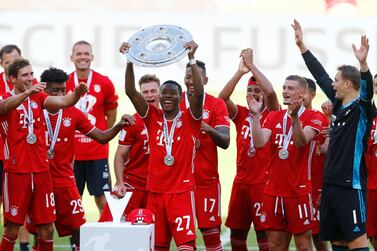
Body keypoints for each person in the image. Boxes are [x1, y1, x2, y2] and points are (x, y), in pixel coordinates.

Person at [28, 67, 131, 251]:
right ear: (44, 92)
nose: (60, 95)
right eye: (55, 91)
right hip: (40, 179)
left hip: (65, 181)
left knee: (78, 228)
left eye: (63, 90)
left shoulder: (74, 114)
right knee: (42, 231)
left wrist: (118, 126)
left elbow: (101, 137)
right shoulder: (33, 111)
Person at [293, 19, 374, 251]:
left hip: (351, 186)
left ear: (348, 84)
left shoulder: (362, 109)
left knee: (357, 241)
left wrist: (364, 65)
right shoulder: (339, 106)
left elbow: (366, 88)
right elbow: (319, 75)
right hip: (331, 185)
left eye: (337, 81)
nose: (333, 85)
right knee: (337, 240)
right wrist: (302, 47)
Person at [122, 40, 203, 251]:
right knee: (157, 246)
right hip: (155, 193)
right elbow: (131, 91)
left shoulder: (190, 119)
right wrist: (130, 60)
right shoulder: (152, 117)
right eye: (164, 93)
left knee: (186, 246)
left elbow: (199, 93)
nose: (166, 96)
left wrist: (191, 58)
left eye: (171, 93)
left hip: (181, 193)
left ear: (180, 97)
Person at [0, 58, 87, 251]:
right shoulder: (4, 97)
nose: (31, 78)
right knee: (13, 228)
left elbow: (63, 100)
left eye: (32, 74)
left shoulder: (39, 98)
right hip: (16, 171)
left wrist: (76, 95)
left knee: (47, 229)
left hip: (41, 172)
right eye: (25, 75)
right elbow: (3, 108)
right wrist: (28, 93)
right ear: (13, 78)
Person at [250, 74, 323, 251]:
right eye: (284, 88)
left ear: (302, 93)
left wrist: (295, 118)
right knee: (275, 245)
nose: (285, 91)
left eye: (290, 88)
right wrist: (256, 115)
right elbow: (259, 142)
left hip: (299, 192)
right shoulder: (274, 116)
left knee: (304, 245)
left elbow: (300, 142)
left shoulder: (315, 116)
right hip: (273, 191)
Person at [218, 48, 279, 251]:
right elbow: (221, 99)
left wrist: (252, 65)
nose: (252, 95)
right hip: (241, 182)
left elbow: (270, 92)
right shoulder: (242, 114)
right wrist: (240, 72)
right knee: (237, 235)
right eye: (249, 91)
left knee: (264, 235)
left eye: (256, 91)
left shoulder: (272, 114)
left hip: (263, 183)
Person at [180, 59, 230, 251]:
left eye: (196, 77)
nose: (191, 81)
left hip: (206, 182)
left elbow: (225, 142)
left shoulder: (216, 104)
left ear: (205, 79)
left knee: (211, 236)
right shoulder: (175, 101)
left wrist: (209, 129)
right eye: (187, 77)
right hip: (179, 184)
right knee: (185, 239)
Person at [66, 40, 119, 215]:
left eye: (86, 53)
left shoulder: (103, 82)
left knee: (102, 197)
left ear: (92, 57)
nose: (83, 57)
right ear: (72, 57)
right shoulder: (65, 82)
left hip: (97, 152)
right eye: (79, 53)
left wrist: (99, 135)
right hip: (71, 154)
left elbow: (111, 115)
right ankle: (76, 243)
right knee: (72, 200)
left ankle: (107, 236)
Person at [99, 74, 160, 222]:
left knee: (153, 234)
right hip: (132, 184)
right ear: (139, 94)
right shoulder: (132, 121)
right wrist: (120, 183)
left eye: (153, 91)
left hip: (157, 188)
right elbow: (119, 155)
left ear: (160, 93)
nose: (149, 95)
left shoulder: (169, 119)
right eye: (145, 92)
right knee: (109, 226)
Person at [302, 77, 330, 251]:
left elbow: (328, 151)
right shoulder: (284, 118)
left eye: (303, 92)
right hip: (292, 186)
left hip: (315, 186)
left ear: (312, 94)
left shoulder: (321, 119)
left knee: (318, 236)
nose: (299, 95)